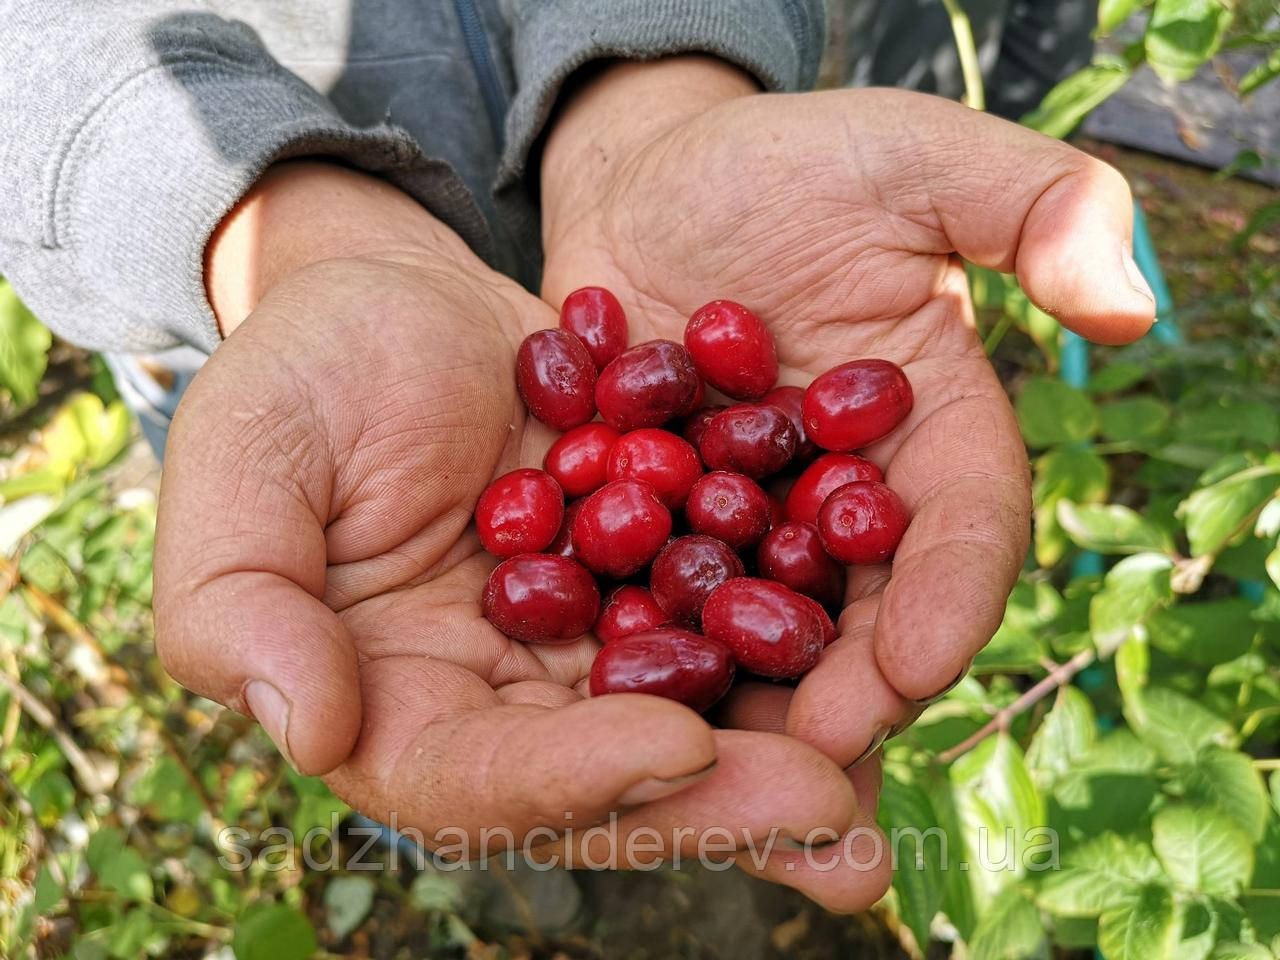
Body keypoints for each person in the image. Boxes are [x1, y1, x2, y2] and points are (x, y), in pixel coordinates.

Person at [0, 1, 1153, 910]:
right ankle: (487, 866)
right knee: (384, 667)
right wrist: (250, 218)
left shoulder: (685, 478)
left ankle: (550, 850)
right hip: (274, 329)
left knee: (555, 728)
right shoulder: (596, 487)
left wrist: (659, 82)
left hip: (716, 111)